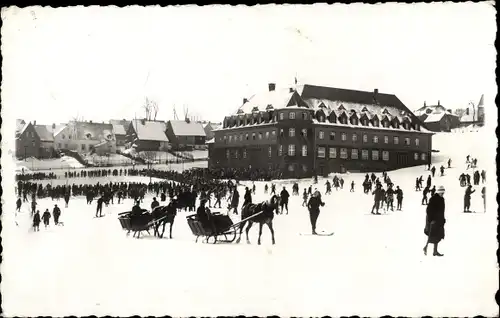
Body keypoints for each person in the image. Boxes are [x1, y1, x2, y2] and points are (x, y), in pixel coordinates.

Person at [423, 185, 446, 257]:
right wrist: (431, 220)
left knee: (438, 235)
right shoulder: (433, 199)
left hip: (439, 220)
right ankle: (425, 247)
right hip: (432, 220)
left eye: (443, 193)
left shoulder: (442, 199)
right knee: (431, 235)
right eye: (441, 193)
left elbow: (442, 211)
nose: (442, 194)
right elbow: (428, 210)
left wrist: (443, 219)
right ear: (438, 192)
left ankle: (435, 251)